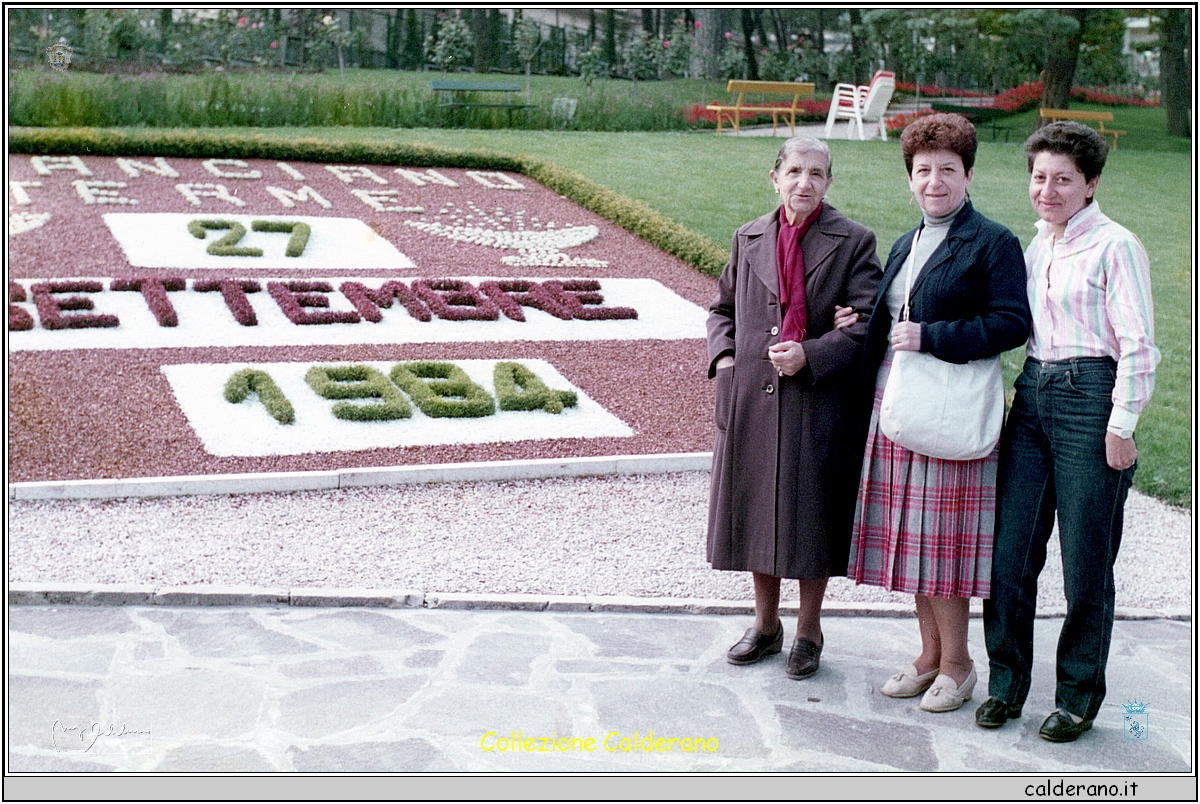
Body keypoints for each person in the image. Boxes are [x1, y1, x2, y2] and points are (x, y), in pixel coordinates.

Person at [978, 122, 1159, 741]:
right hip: (1032, 395)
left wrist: (1122, 424)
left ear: (1090, 184)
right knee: (1008, 557)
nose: (1047, 190)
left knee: (1085, 563)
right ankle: (1006, 685)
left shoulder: (1115, 245)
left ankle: (1078, 698)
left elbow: (1138, 345)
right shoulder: (1036, 248)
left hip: (1091, 400)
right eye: (1039, 178)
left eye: (1062, 180)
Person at [847, 114, 1031, 712]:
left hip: (949, 412)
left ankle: (959, 664)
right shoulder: (908, 240)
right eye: (923, 170)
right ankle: (928, 655)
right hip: (896, 403)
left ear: (969, 175)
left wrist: (931, 336)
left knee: (941, 545)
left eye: (947, 170)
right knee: (909, 539)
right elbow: (893, 315)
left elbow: (1011, 324)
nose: (934, 181)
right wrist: (861, 324)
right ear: (909, 178)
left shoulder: (993, 242)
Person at [707, 136, 881, 680]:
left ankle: (808, 630)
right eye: (795, 171)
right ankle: (764, 625)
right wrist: (728, 359)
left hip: (818, 400)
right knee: (757, 509)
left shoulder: (853, 240)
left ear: (829, 183)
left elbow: (871, 323)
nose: (805, 183)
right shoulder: (748, 236)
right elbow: (721, 310)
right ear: (775, 177)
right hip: (753, 398)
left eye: (817, 174)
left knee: (810, 515)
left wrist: (812, 352)